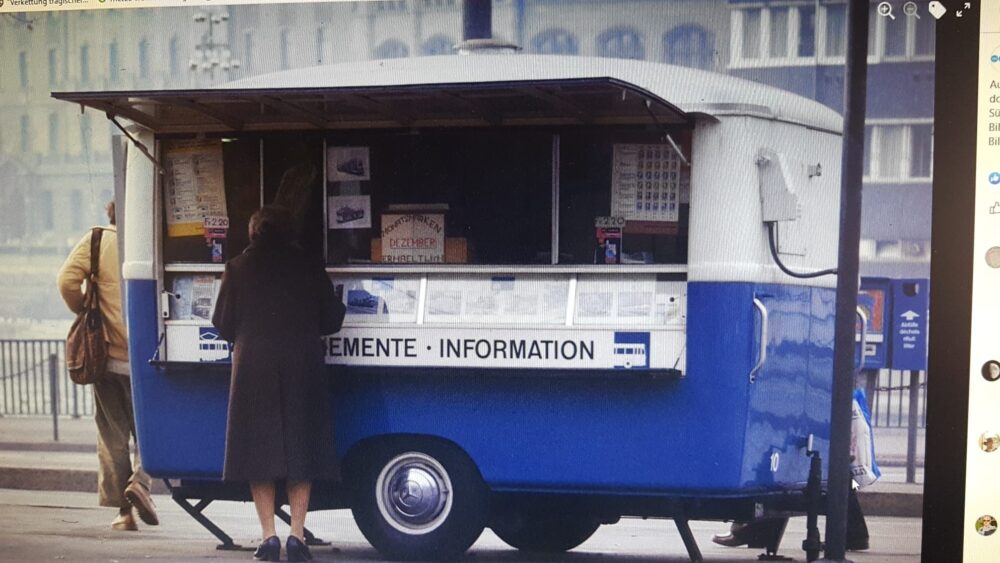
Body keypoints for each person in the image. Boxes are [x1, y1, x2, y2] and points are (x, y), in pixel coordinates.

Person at [212, 205, 345, 563]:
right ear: (289, 232)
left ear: (253, 233)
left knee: (259, 451)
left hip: (254, 366)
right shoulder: (308, 265)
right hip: (302, 364)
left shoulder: (236, 268)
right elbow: (331, 320)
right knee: (302, 447)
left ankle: (269, 536)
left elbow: (222, 323)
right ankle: (297, 535)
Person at [57, 201, 159, 532]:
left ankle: (123, 513)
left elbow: (66, 280)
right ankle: (141, 482)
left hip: (107, 356)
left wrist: (85, 310)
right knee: (151, 428)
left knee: (112, 435)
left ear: (111, 214)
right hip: (148, 359)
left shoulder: (98, 239)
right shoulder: (154, 240)